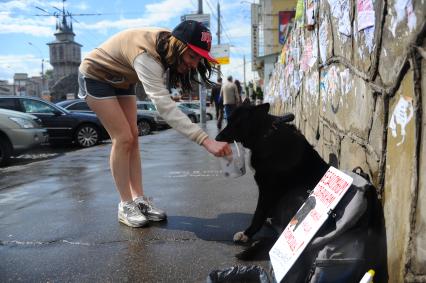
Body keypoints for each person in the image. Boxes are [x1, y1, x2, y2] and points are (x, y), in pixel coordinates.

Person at [78, 20, 232, 228]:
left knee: (133, 137)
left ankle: (139, 199)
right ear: (178, 47)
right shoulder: (147, 57)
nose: (194, 64)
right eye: (192, 56)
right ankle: (125, 205)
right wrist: (206, 141)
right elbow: (164, 106)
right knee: (123, 138)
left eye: (199, 58)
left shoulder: (168, 44)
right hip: (95, 75)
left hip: (122, 77)